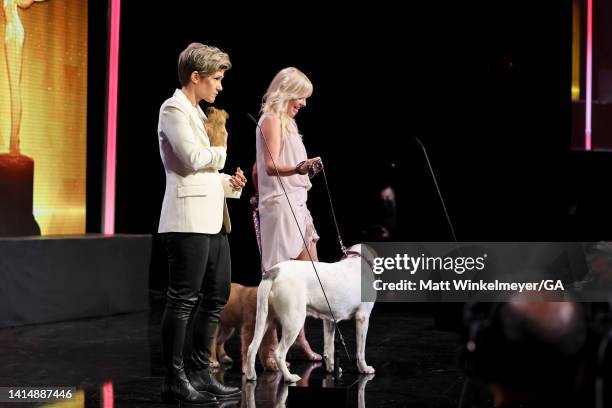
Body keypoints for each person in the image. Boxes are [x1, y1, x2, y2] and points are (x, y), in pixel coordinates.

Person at [157, 42, 246, 406]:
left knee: (216, 297)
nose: (220, 87)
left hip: (212, 218)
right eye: (217, 79)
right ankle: (174, 379)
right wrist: (221, 150)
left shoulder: (196, 112)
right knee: (183, 301)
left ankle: (200, 372)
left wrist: (230, 183)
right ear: (196, 77)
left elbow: (203, 172)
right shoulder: (173, 108)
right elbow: (192, 158)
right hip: (186, 221)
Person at [254, 67, 323, 361]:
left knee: (308, 278)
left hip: (297, 202)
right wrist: (298, 168)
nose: (304, 104)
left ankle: (297, 339)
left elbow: (263, 167)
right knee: (278, 280)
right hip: (280, 206)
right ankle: (268, 347)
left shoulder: (288, 124)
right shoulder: (270, 120)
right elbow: (269, 167)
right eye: (301, 97)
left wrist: (305, 167)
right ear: (286, 90)